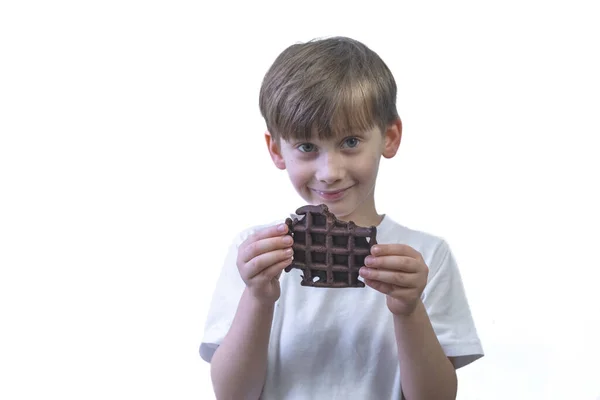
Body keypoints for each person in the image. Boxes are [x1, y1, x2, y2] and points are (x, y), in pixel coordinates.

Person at [199, 36, 483, 400]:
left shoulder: (425, 257)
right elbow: (232, 395)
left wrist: (408, 310)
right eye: (306, 147)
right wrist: (258, 297)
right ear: (276, 150)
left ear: (390, 137)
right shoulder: (254, 255)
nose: (329, 171)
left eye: (350, 142)